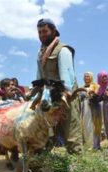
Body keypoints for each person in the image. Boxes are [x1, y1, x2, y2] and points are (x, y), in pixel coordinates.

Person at [36, 18, 83, 153]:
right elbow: (39, 76)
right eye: (39, 32)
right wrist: (37, 92)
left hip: (66, 95)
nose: (42, 35)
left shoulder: (63, 50)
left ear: (53, 31)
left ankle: (77, 165)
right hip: (50, 95)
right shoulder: (40, 53)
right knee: (48, 130)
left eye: (45, 31)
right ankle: (45, 162)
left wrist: (65, 95)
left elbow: (66, 77)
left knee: (71, 131)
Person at [80, 72, 100, 150]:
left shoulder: (95, 85)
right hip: (84, 106)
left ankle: (95, 145)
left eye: (88, 76)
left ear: (91, 77)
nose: (86, 78)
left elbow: (98, 94)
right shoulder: (81, 87)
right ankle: (87, 144)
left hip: (93, 106)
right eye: (85, 76)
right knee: (85, 124)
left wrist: (93, 93)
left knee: (94, 124)